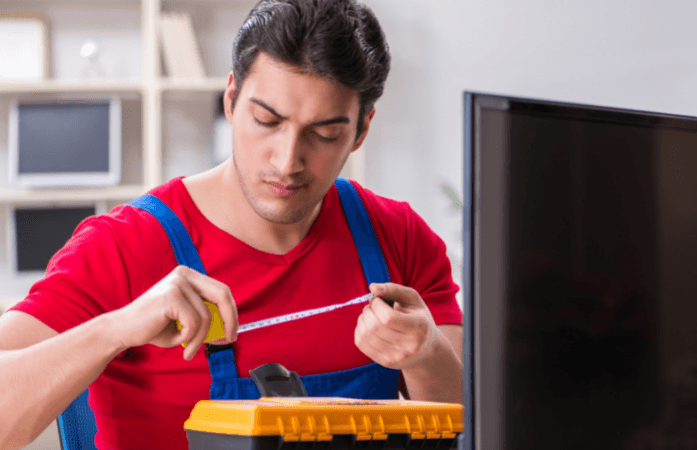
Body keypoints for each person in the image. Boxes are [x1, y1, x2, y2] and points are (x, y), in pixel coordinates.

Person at [0, 1, 463, 449]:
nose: (287, 161)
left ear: (361, 131)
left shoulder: (396, 239)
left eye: (324, 134)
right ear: (231, 100)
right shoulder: (125, 246)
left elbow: (476, 427)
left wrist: (427, 356)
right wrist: (115, 329)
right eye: (267, 121)